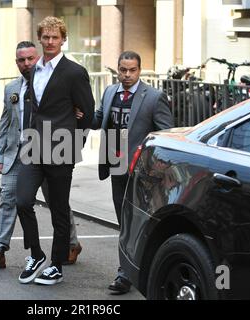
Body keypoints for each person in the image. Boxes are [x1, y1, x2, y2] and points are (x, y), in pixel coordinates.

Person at [0, 41, 82, 269]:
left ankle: (71, 244)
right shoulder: (12, 88)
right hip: (17, 154)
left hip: (48, 153)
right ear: (17, 63)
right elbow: (6, 122)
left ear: (38, 58)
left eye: (31, 58)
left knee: (56, 201)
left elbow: (76, 114)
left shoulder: (53, 85)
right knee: (8, 199)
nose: (27, 64)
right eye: (22, 60)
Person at [16, 16, 94, 286]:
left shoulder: (74, 72)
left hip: (62, 149)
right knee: (22, 200)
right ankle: (36, 255)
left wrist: (75, 143)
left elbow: (88, 112)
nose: (50, 42)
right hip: (33, 146)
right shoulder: (33, 69)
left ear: (63, 40)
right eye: (45, 37)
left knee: (59, 209)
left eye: (55, 37)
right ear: (40, 39)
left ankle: (56, 264)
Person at [92, 51, 173, 294]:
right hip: (116, 165)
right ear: (117, 69)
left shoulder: (154, 97)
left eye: (132, 70)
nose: (127, 75)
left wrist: (158, 168)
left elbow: (166, 133)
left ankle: (126, 274)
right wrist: (79, 114)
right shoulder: (109, 92)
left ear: (140, 70)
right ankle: (129, 269)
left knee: (135, 221)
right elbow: (98, 119)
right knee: (123, 219)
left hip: (142, 171)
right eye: (123, 70)